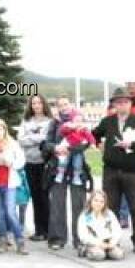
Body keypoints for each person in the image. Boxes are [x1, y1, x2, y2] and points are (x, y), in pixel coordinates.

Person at [92, 87, 135, 253]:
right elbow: (94, 134)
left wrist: (132, 144)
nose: (122, 105)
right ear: (114, 104)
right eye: (118, 102)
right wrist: (99, 144)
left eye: (125, 102)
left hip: (132, 170)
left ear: (130, 103)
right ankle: (112, 239)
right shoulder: (108, 121)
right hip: (111, 170)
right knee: (111, 208)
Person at [43, 106, 92, 252]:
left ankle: (81, 239)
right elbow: (46, 144)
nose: (63, 107)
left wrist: (69, 149)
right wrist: (56, 148)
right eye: (61, 104)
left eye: (66, 104)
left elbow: (86, 144)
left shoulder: (82, 125)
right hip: (59, 169)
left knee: (80, 205)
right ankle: (57, 238)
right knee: (57, 205)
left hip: (77, 170)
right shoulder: (54, 124)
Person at [0, 118, 28, 255]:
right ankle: (2, 239)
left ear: (5, 130)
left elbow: (21, 161)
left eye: (0, 129)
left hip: (10, 183)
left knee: (10, 212)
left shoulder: (13, 144)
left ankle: (19, 240)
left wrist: (9, 162)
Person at [19, 94, 56, 242]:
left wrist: (31, 138)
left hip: (44, 163)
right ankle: (39, 231)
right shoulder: (26, 121)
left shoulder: (50, 122)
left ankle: (49, 230)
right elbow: (21, 140)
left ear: (43, 104)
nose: (36, 105)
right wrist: (38, 138)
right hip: (29, 163)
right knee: (35, 197)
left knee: (45, 196)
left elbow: (47, 140)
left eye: (39, 103)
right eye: (33, 103)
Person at [77, 190, 125, 261]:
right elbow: (83, 235)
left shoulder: (109, 214)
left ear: (105, 203)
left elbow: (117, 230)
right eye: (96, 201)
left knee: (118, 255)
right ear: (91, 201)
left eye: (101, 201)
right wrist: (98, 243)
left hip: (108, 242)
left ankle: (108, 251)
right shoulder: (84, 215)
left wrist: (113, 242)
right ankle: (88, 250)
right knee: (99, 255)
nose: (98, 204)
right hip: (93, 243)